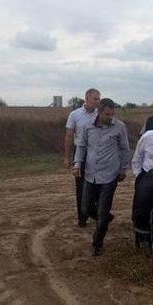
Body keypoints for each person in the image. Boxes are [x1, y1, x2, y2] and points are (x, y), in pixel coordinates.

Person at [73, 98, 130, 256]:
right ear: (99, 111)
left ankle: (97, 244)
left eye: (112, 114)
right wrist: (77, 164)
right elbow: (81, 147)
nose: (110, 117)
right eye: (107, 114)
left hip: (110, 175)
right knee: (85, 208)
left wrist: (123, 169)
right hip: (90, 174)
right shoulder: (87, 126)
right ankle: (106, 218)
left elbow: (125, 149)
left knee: (102, 212)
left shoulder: (119, 127)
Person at [64, 88, 101, 228]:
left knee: (98, 185)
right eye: (95, 99)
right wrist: (67, 158)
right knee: (81, 187)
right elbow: (68, 136)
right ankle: (82, 218)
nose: (97, 102)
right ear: (87, 99)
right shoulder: (75, 115)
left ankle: (98, 215)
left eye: (99, 99)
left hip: (98, 154)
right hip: (80, 154)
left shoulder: (101, 114)